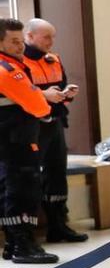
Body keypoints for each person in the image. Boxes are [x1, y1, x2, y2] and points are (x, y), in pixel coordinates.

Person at [22, 20, 85, 245]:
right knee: (29, 176)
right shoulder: (19, 62)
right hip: (32, 125)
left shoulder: (54, 59)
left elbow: (60, 86)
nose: (51, 42)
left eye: (53, 37)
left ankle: (58, 225)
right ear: (29, 36)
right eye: (46, 37)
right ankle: (27, 235)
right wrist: (44, 95)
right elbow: (23, 93)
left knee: (57, 173)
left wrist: (67, 93)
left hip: (55, 122)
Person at [0, 19, 56, 264]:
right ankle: (23, 245)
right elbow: (38, 105)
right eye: (13, 41)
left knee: (12, 190)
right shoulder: (8, 70)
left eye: (21, 40)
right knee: (22, 190)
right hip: (16, 141)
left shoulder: (12, 65)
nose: (20, 46)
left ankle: (14, 244)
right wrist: (43, 106)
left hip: (11, 140)